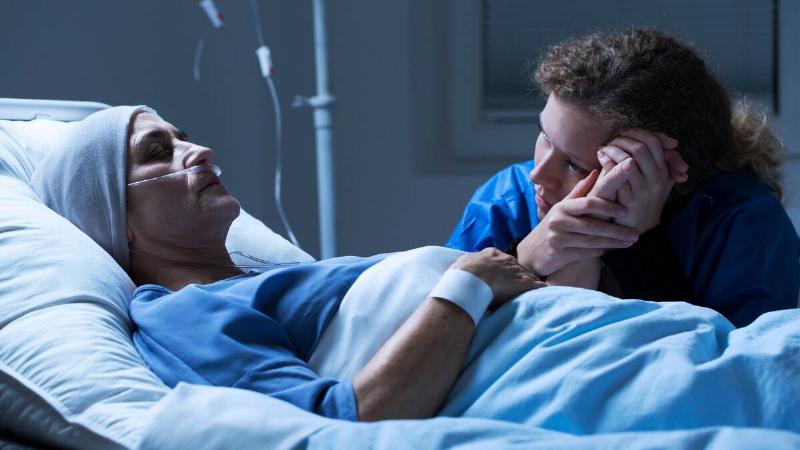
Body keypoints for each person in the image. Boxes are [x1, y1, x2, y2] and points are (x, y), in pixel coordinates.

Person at [31, 105, 555, 422]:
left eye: (182, 137)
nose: (199, 151)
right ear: (114, 219)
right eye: (156, 151)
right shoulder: (178, 315)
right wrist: (465, 287)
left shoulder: (270, 282)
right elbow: (336, 423)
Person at [447, 29, 799, 327]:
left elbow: (733, 386)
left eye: (575, 165)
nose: (539, 175)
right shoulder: (505, 200)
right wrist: (523, 258)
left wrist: (642, 242)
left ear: (659, 172)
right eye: (544, 136)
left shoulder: (744, 227)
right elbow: (433, 335)